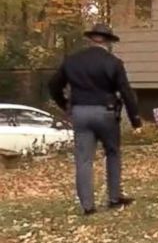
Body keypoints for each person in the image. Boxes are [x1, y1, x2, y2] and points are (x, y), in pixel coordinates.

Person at [48, 23, 142, 215]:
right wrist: (135, 120)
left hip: (80, 111)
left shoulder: (72, 61)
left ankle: (88, 205)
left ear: (90, 39)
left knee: (84, 159)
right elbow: (126, 92)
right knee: (113, 153)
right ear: (108, 42)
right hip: (106, 112)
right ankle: (114, 197)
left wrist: (64, 103)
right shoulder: (113, 62)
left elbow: (53, 85)